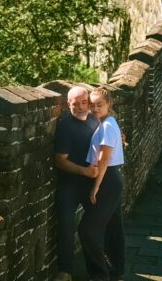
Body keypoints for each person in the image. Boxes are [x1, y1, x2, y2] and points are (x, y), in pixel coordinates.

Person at [78, 87, 125, 281]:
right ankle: (117, 268)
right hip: (112, 179)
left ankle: (99, 275)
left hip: (106, 180)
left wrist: (96, 186)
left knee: (87, 230)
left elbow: (104, 160)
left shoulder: (107, 126)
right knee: (114, 226)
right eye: (92, 105)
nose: (95, 109)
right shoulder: (108, 122)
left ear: (109, 105)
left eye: (100, 105)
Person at [54, 86, 99, 281]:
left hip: (93, 184)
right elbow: (60, 160)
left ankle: (102, 269)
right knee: (65, 225)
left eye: (84, 103)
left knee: (101, 223)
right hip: (70, 184)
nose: (81, 107)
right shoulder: (65, 125)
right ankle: (66, 271)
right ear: (68, 104)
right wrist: (84, 171)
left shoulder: (95, 120)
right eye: (75, 104)